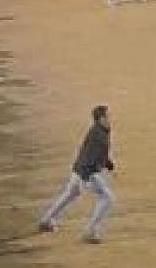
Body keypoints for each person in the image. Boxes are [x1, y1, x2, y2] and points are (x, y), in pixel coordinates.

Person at [37, 105, 117, 244]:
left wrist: (108, 163)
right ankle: (90, 232)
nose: (110, 118)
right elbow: (91, 157)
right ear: (101, 119)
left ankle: (46, 220)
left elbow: (93, 152)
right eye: (108, 116)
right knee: (107, 198)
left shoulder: (99, 130)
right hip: (88, 172)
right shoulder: (99, 135)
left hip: (79, 169)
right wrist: (87, 178)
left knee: (70, 194)